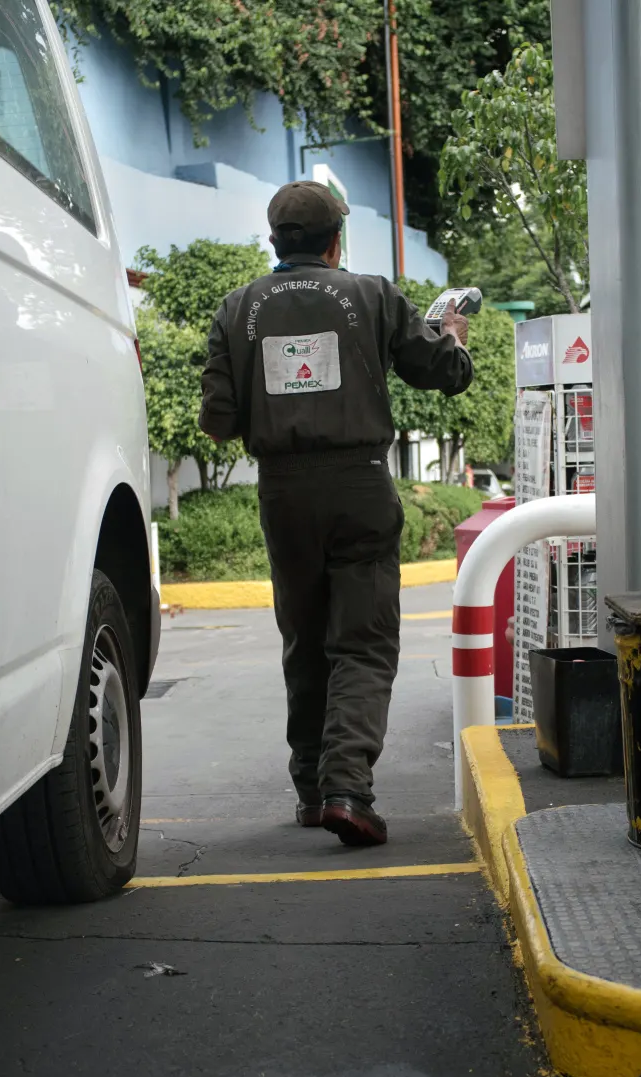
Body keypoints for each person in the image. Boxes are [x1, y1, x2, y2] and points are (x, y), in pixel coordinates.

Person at [198, 181, 474, 847]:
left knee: (305, 636)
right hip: (360, 485)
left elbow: (217, 421)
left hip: (283, 494)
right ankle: (348, 787)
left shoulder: (235, 310)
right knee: (364, 640)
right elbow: (442, 372)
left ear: (275, 242)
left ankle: (312, 787)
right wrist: (455, 339)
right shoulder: (373, 295)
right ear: (334, 241)